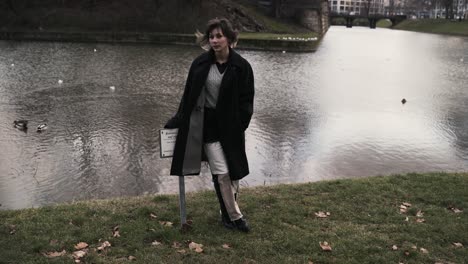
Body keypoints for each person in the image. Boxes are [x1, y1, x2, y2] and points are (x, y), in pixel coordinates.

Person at [164, 18, 254, 233]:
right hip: (207, 127)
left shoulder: (242, 67)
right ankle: (235, 217)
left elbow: (247, 101)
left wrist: (240, 124)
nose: (214, 40)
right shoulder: (200, 64)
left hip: (232, 129)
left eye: (219, 36)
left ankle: (225, 213)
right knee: (221, 172)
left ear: (229, 39)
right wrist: (177, 119)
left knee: (233, 173)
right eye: (211, 36)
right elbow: (188, 96)